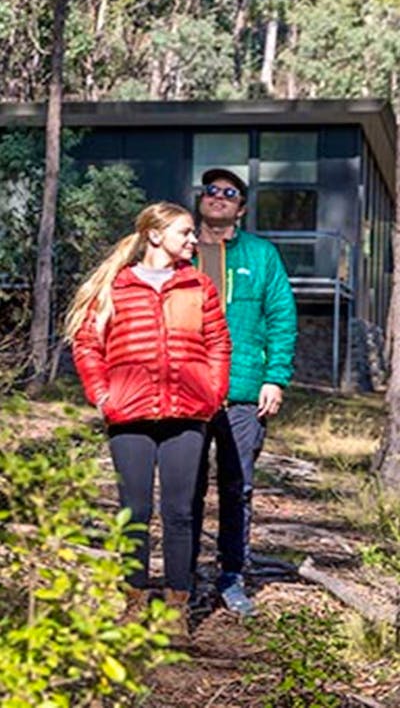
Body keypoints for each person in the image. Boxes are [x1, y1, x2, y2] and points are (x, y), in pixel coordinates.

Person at [65, 201, 231, 640]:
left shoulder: (198, 285)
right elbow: (87, 345)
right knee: (134, 512)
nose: (194, 240)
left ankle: (176, 607)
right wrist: (102, 396)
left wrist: (212, 393)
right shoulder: (116, 287)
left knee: (179, 512)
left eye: (193, 233)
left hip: (187, 413)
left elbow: (218, 342)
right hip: (129, 414)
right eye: (185, 232)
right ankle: (133, 602)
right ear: (156, 236)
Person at [192, 168, 297, 615]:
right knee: (186, 491)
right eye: (210, 190)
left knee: (238, 488)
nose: (217, 196)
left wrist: (274, 377)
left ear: (242, 207)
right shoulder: (181, 250)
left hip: (243, 392)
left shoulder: (262, 255)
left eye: (228, 193)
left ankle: (232, 576)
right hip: (187, 394)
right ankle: (186, 577)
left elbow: (282, 318)